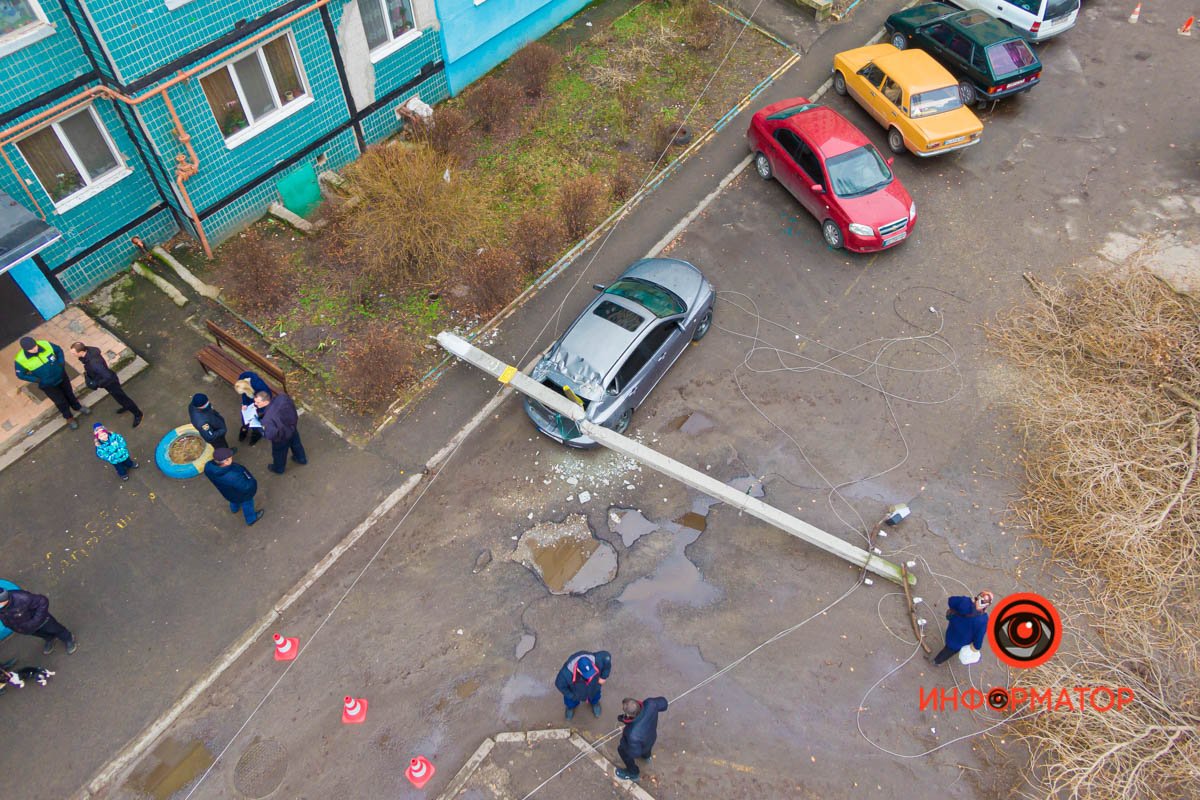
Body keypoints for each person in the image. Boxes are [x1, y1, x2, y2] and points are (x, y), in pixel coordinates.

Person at [14, 337, 91, 429]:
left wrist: (61, 363)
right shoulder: (20, 359)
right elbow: (21, 375)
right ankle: (69, 417)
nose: (34, 349)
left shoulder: (45, 344)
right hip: (47, 384)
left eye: (35, 346)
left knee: (69, 393)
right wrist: (37, 380)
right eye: (31, 349)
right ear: (25, 350)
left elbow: (58, 350)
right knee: (60, 401)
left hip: (61, 376)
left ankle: (77, 407)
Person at [71, 342, 143, 426]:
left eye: (73, 353)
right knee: (118, 397)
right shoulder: (90, 353)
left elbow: (107, 376)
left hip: (110, 383)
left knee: (123, 398)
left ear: (81, 352)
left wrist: (97, 384)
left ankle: (138, 414)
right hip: (108, 381)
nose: (72, 355)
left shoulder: (94, 363)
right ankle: (126, 406)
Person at [0, 587, 76, 655]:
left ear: (3, 600)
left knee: (55, 629)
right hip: (25, 628)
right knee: (40, 634)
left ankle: (68, 638)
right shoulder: (2, 606)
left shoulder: (23, 598)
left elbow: (43, 602)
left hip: (42, 622)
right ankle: (50, 638)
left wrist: (35, 621)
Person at [203, 447, 264, 526]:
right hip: (241, 495)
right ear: (225, 461)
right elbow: (246, 487)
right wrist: (252, 481)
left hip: (228, 493)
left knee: (233, 500)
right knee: (247, 503)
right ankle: (251, 519)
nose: (232, 457)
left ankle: (234, 509)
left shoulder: (208, 466)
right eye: (230, 457)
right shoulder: (232, 476)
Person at [929, 591, 993, 666]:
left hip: (952, 628)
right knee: (949, 651)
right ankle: (936, 662)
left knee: (949, 638)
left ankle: (937, 659)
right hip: (961, 641)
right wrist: (976, 648)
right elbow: (979, 637)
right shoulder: (983, 620)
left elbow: (951, 601)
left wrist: (969, 600)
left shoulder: (964, 601)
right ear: (987, 605)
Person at [615, 696, 669, 782]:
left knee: (623, 751)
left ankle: (633, 773)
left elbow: (635, 753)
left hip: (641, 745)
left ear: (628, 715)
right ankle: (646, 756)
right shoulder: (651, 703)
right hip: (651, 738)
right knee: (647, 748)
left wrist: (623, 743)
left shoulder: (632, 733)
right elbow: (664, 704)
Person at [254, 390, 306, 474]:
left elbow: (269, 435)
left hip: (281, 437)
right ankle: (301, 459)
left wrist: (259, 427)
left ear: (266, 402)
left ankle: (279, 469)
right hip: (292, 428)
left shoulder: (267, 420)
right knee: (296, 444)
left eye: (258, 402)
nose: (255, 404)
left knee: (279, 454)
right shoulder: (282, 397)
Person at [554, 650, 611, 719]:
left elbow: (607, 658)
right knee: (570, 701)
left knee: (595, 695)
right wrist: (572, 696)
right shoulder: (565, 674)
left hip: (594, 686)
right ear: (578, 670)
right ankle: (570, 707)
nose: (590, 677)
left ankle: (595, 703)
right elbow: (559, 685)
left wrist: (604, 677)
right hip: (574, 691)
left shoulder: (598, 660)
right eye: (587, 675)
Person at [234, 372, 270, 446]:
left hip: (260, 406)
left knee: (256, 424)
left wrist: (256, 408)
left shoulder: (260, 386)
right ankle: (244, 430)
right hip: (251, 405)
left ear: (247, 388)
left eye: (243, 392)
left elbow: (265, 401)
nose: (243, 393)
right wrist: (245, 404)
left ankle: (256, 436)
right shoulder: (242, 381)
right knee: (245, 421)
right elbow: (244, 395)